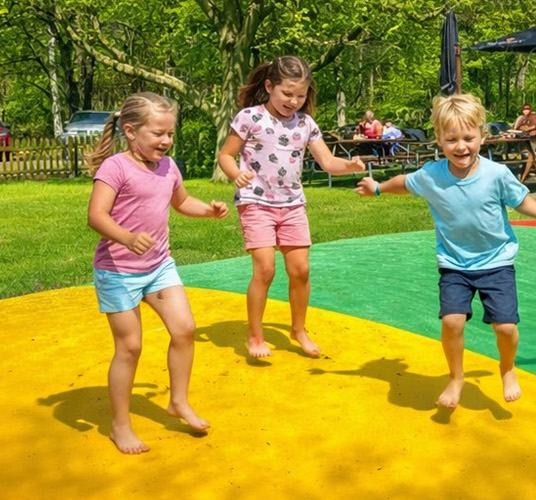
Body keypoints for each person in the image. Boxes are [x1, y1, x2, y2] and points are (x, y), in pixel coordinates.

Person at [354, 93, 536, 408]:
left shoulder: (496, 174)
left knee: (505, 327)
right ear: (439, 140)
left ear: (482, 136)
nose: (461, 146)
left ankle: (507, 366)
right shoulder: (433, 175)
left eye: (468, 138)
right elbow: (403, 182)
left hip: (496, 261)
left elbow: (520, 200)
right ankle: (456, 377)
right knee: (452, 322)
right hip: (454, 264)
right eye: (452, 139)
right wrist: (377, 188)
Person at [86, 92, 225, 454]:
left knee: (185, 329)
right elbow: (96, 216)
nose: (166, 141)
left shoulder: (168, 166)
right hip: (118, 272)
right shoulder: (115, 168)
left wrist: (208, 210)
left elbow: (181, 202)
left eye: (170, 134)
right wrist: (127, 237)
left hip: (159, 266)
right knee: (130, 347)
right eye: (158, 134)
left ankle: (178, 401)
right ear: (130, 131)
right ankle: (120, 425)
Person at [216, 55, 367, 359]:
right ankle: (255, 336)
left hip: (292, 204)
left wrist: (349, 166)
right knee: (265, 269)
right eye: (287, 94)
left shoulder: (305, 124)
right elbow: (226, 156)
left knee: (300, 270)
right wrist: (236, 174)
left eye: (300, 95)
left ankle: (298, 330)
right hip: (256, 202)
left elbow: (326, 161)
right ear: (269, 86)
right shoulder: (250, 117)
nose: (294, 101)